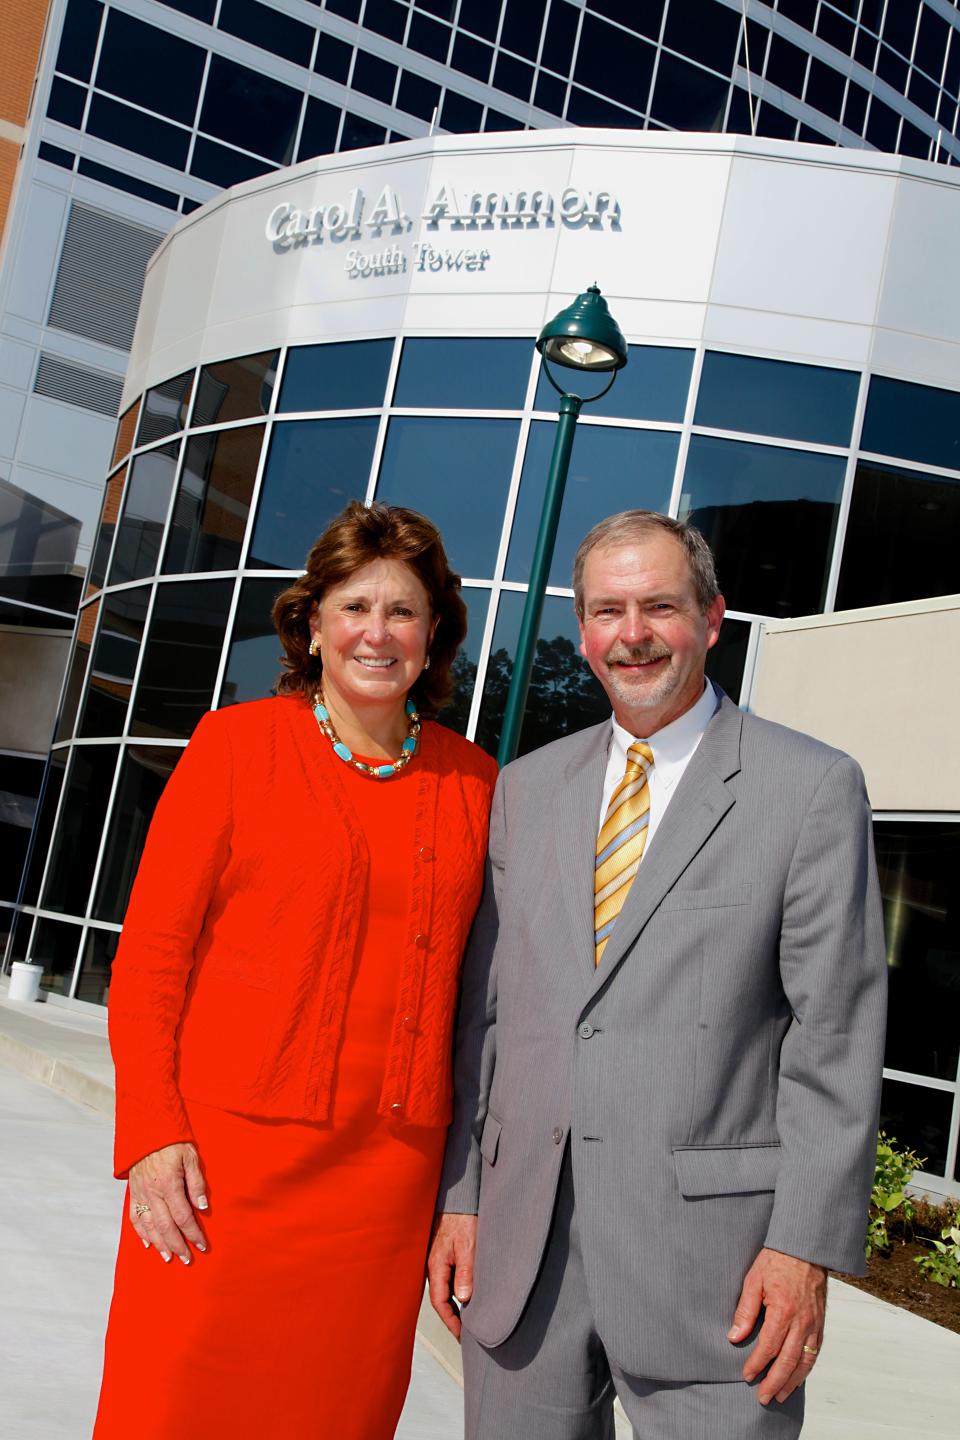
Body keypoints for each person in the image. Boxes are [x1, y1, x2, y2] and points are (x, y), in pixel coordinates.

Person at [429, 509, 887, 1440]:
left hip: (715, 1283)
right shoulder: (526, 790)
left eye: (659, 606)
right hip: (523, 1261)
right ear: (582, 627)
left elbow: (834, 1035)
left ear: (713, 619)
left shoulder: (810, 789)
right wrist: (465, 1196)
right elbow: (491, 1015)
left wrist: (803, 1244)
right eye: (607, 610)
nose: (631, 634)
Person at [94, 501, 497, 1440]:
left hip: (383, 1192)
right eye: (355, 606)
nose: (378, 632)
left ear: (433, 634)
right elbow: (152, 956)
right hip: (220, 1176)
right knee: (174, 1406)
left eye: (403, 611)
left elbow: (487, 1007)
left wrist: (461, 1195)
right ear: (312, 624)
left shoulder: (478, 786)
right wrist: (153, 1135)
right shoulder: (235, 748)